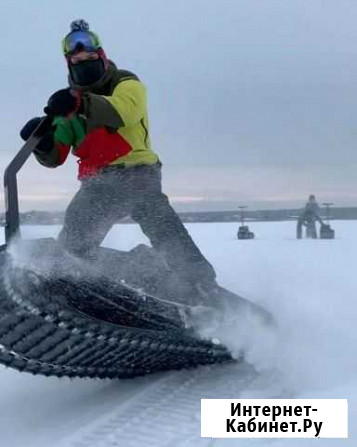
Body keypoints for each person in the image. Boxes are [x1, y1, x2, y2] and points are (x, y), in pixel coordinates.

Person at [20, 19, 216, 293]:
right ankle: (84, 284)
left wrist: (78, 103)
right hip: (97, 184)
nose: (83, 59)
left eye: (89, 54)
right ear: (69, 62)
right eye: (77, 57)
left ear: (101, 55)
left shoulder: (125, 83)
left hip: (136, 173)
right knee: (74, 242)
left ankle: (200, 285)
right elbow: (56, 156)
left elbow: (125, 111)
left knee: (160, 223)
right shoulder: (69, 108)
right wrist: (42, 141)